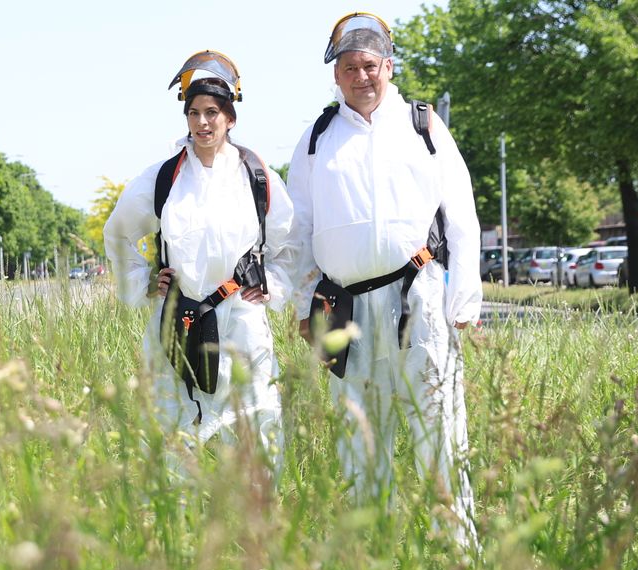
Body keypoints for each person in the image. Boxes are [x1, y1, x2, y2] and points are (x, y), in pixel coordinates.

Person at [286, 13, 481, 543]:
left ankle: (458, 548)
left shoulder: (423, 125)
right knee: (358, 429)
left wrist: (463, 300)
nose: (361, 76)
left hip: (419, 294)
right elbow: (297, 229)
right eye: (349, 67)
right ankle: (367, 553)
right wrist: (305, 306)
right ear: (336, 75)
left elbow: (461, 213)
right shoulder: (317, 139)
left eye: (370, 65)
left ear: (388, 66)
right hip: (345, 306)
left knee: (439, 424)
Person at [104, 51, 294, 471]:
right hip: (178, 318)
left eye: (212, 112)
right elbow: (117, 234)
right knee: (174, 435)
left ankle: (256, 529)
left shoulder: (257, 176)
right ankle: (182, 529)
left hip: (242, 322)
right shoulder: (163, 178)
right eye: (194, 113)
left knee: (257, 431)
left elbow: (290, 242)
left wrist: (273, 285)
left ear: (230, 118)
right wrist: (142, 282)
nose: (203, 122)